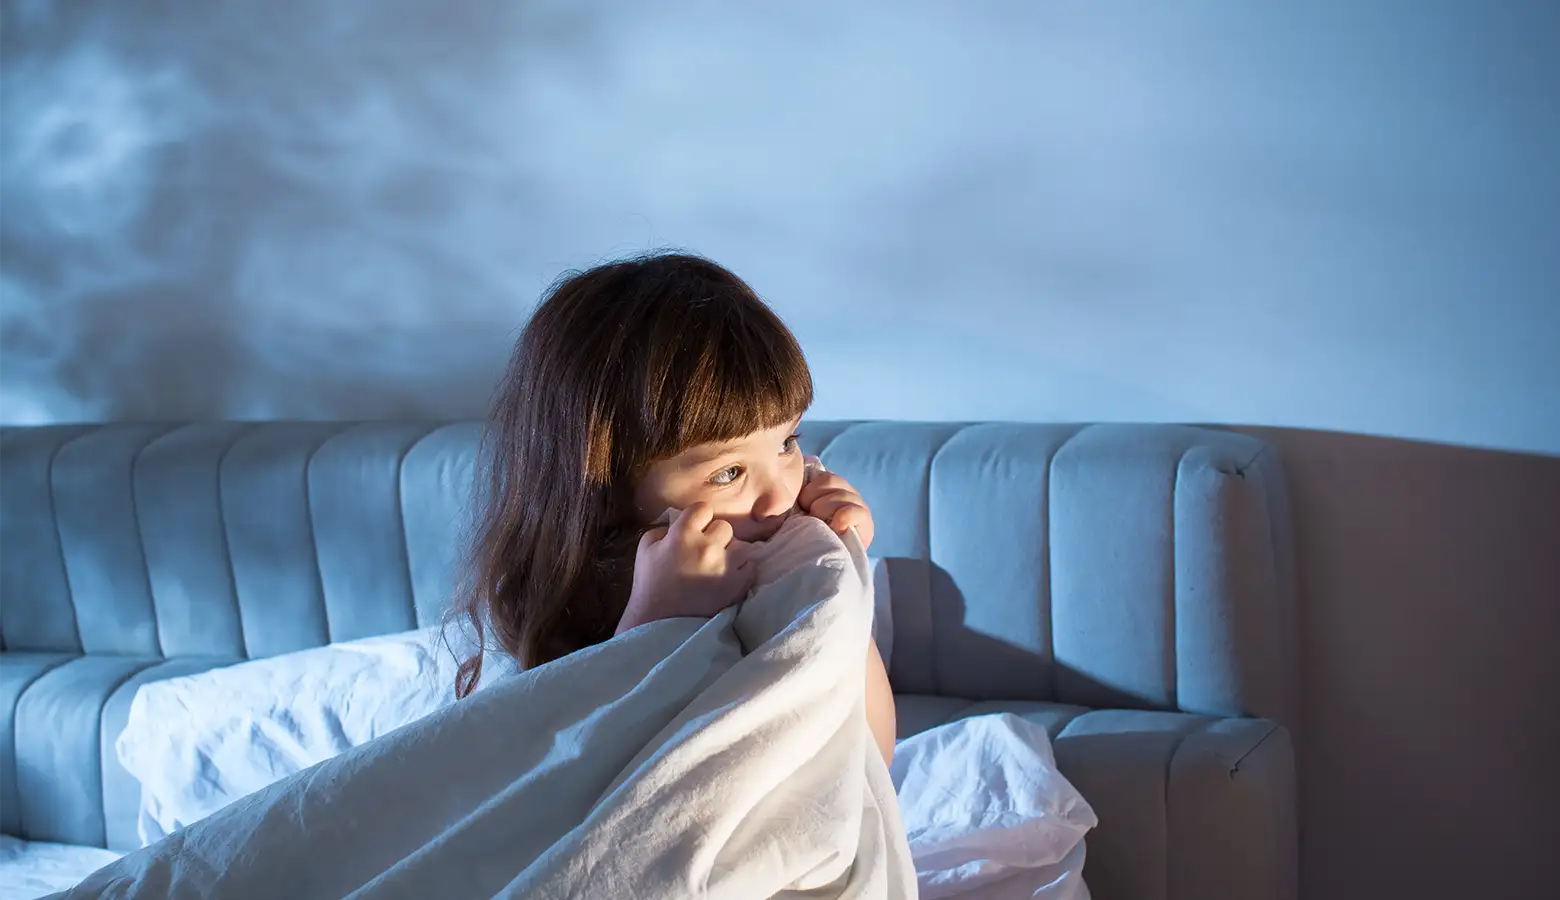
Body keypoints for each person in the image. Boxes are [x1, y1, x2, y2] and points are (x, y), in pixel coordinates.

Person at [446, 252, 896, 764]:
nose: (780, 496)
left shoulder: (786, 551)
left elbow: (869, 761)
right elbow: (559, 781)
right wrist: (651, 622)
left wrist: (839, 577)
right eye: (728, 473)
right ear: (606, 485)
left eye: (787, 443)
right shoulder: (552, 600)